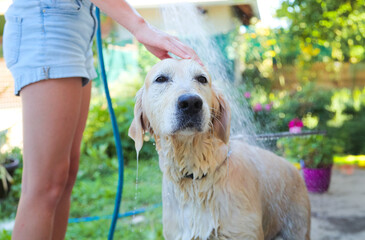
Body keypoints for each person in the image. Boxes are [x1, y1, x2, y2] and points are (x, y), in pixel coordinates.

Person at [3, 0, 201, 239]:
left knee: (63, 179)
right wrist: (141, 27)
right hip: (48, 22)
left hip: (76, 24)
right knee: (44, 187)